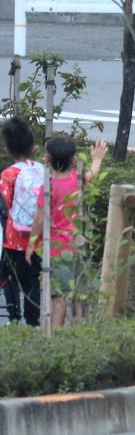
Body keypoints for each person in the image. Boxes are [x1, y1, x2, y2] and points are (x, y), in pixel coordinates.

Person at [26, 136, 108, 327]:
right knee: (77, 295)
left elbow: (39, 219)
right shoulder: (77, 180)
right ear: (73, 161)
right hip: (76, 245)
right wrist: (97, 158)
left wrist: (31, 244)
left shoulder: (48, 187)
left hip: (57, 249)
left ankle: (54, 338)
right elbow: (93, 173)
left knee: (59, 298)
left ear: (46, 160)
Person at [0, 117, 43, 326]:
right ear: (33, 147)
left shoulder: (8, 174)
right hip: (39, 239)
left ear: (7, 149)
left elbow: (7, 202)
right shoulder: (41, 170)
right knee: (33, 282)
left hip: (14, 239)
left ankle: (14, 319)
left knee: (9, 278)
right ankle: (33, 323)